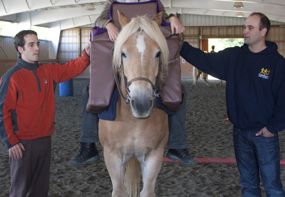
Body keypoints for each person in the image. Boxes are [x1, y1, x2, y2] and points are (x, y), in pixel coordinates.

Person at [69, 0, 194, 167]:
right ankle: (87, 144)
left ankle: (177, 146)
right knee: (89, 91)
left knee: (179, 91)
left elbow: (162, 17)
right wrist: (108, 25)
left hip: (147, 47)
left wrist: (172, 18)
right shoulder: (112, 2)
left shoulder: (155, 1)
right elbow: (99, 19)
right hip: (121, 44)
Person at [180, 12, 285, 196]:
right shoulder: (234, 57)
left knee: (273, 187)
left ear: (263, 31)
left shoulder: (276, 63)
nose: (245, 31)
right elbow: (204, 60)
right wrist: (180, 45)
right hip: (240, 133)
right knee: (248, 186)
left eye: (250, 27)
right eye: (244, 27)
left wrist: (272, 127)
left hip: (265, 135)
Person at [0, 30, 90, 197]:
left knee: (40, 190)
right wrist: (11, 142)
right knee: (19, 190)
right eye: (31, 45)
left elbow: (72, 68)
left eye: (38, 44)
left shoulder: (48, 70)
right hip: (23, 144)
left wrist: (86, 54)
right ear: (20, 49)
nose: (37, 48)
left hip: (45, 140)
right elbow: (2, 111)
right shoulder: (11, 77)